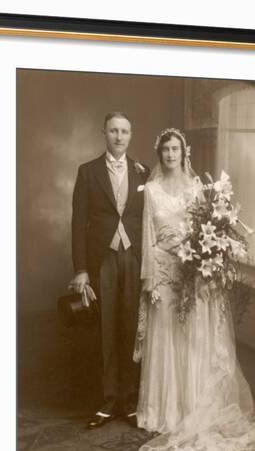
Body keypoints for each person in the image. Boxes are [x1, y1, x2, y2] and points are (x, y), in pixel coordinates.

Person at [134, 128, 255, 451]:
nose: (171, 154)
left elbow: (206, 232)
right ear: (160, 154)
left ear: (184, 152)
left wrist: (207, 266)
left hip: (192, 275)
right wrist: (150, 281)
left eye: (176, 149)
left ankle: (192, 408)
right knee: (167, 340)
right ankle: (165, 412)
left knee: (192, 341)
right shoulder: (152, 191)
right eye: (166, 149)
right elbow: (148, 236)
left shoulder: (197, 188)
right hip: (164, 274)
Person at [70, 112, 150, 429]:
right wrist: (81, 270)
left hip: (134, 256)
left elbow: (150, 217)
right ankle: (107, 400)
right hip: (102, 258)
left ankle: (129, 402)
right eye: (114, 130)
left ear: (131, 136)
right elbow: (78, 224)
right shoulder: (87, 172)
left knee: (131, 327)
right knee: (106, 329)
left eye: (125, 131)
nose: (119, 136)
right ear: (103, 133)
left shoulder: (142, 171)